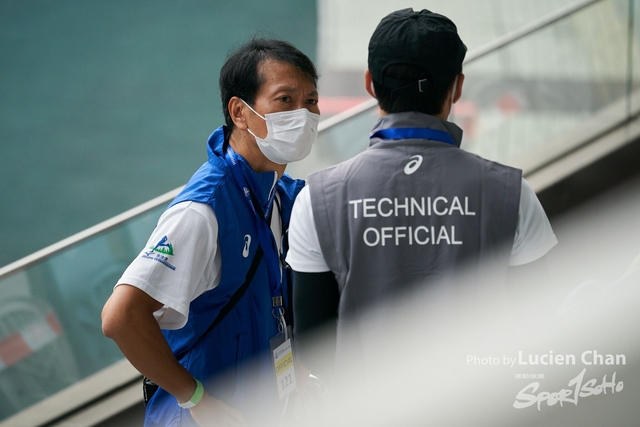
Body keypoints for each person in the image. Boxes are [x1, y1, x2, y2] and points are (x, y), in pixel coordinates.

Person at [285, 9, 558, 379]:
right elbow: (539, 327)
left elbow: (314, 352)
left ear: (369, 83)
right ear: (458, 86)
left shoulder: (316, 200)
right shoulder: (513, 193)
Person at [102, 38, 320, 427]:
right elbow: (120, 317)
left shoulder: (280, 196)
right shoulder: (204, 210)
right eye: (285, 100)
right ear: (240, 111)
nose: (302, 114)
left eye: (311, 101)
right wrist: (196, 398)